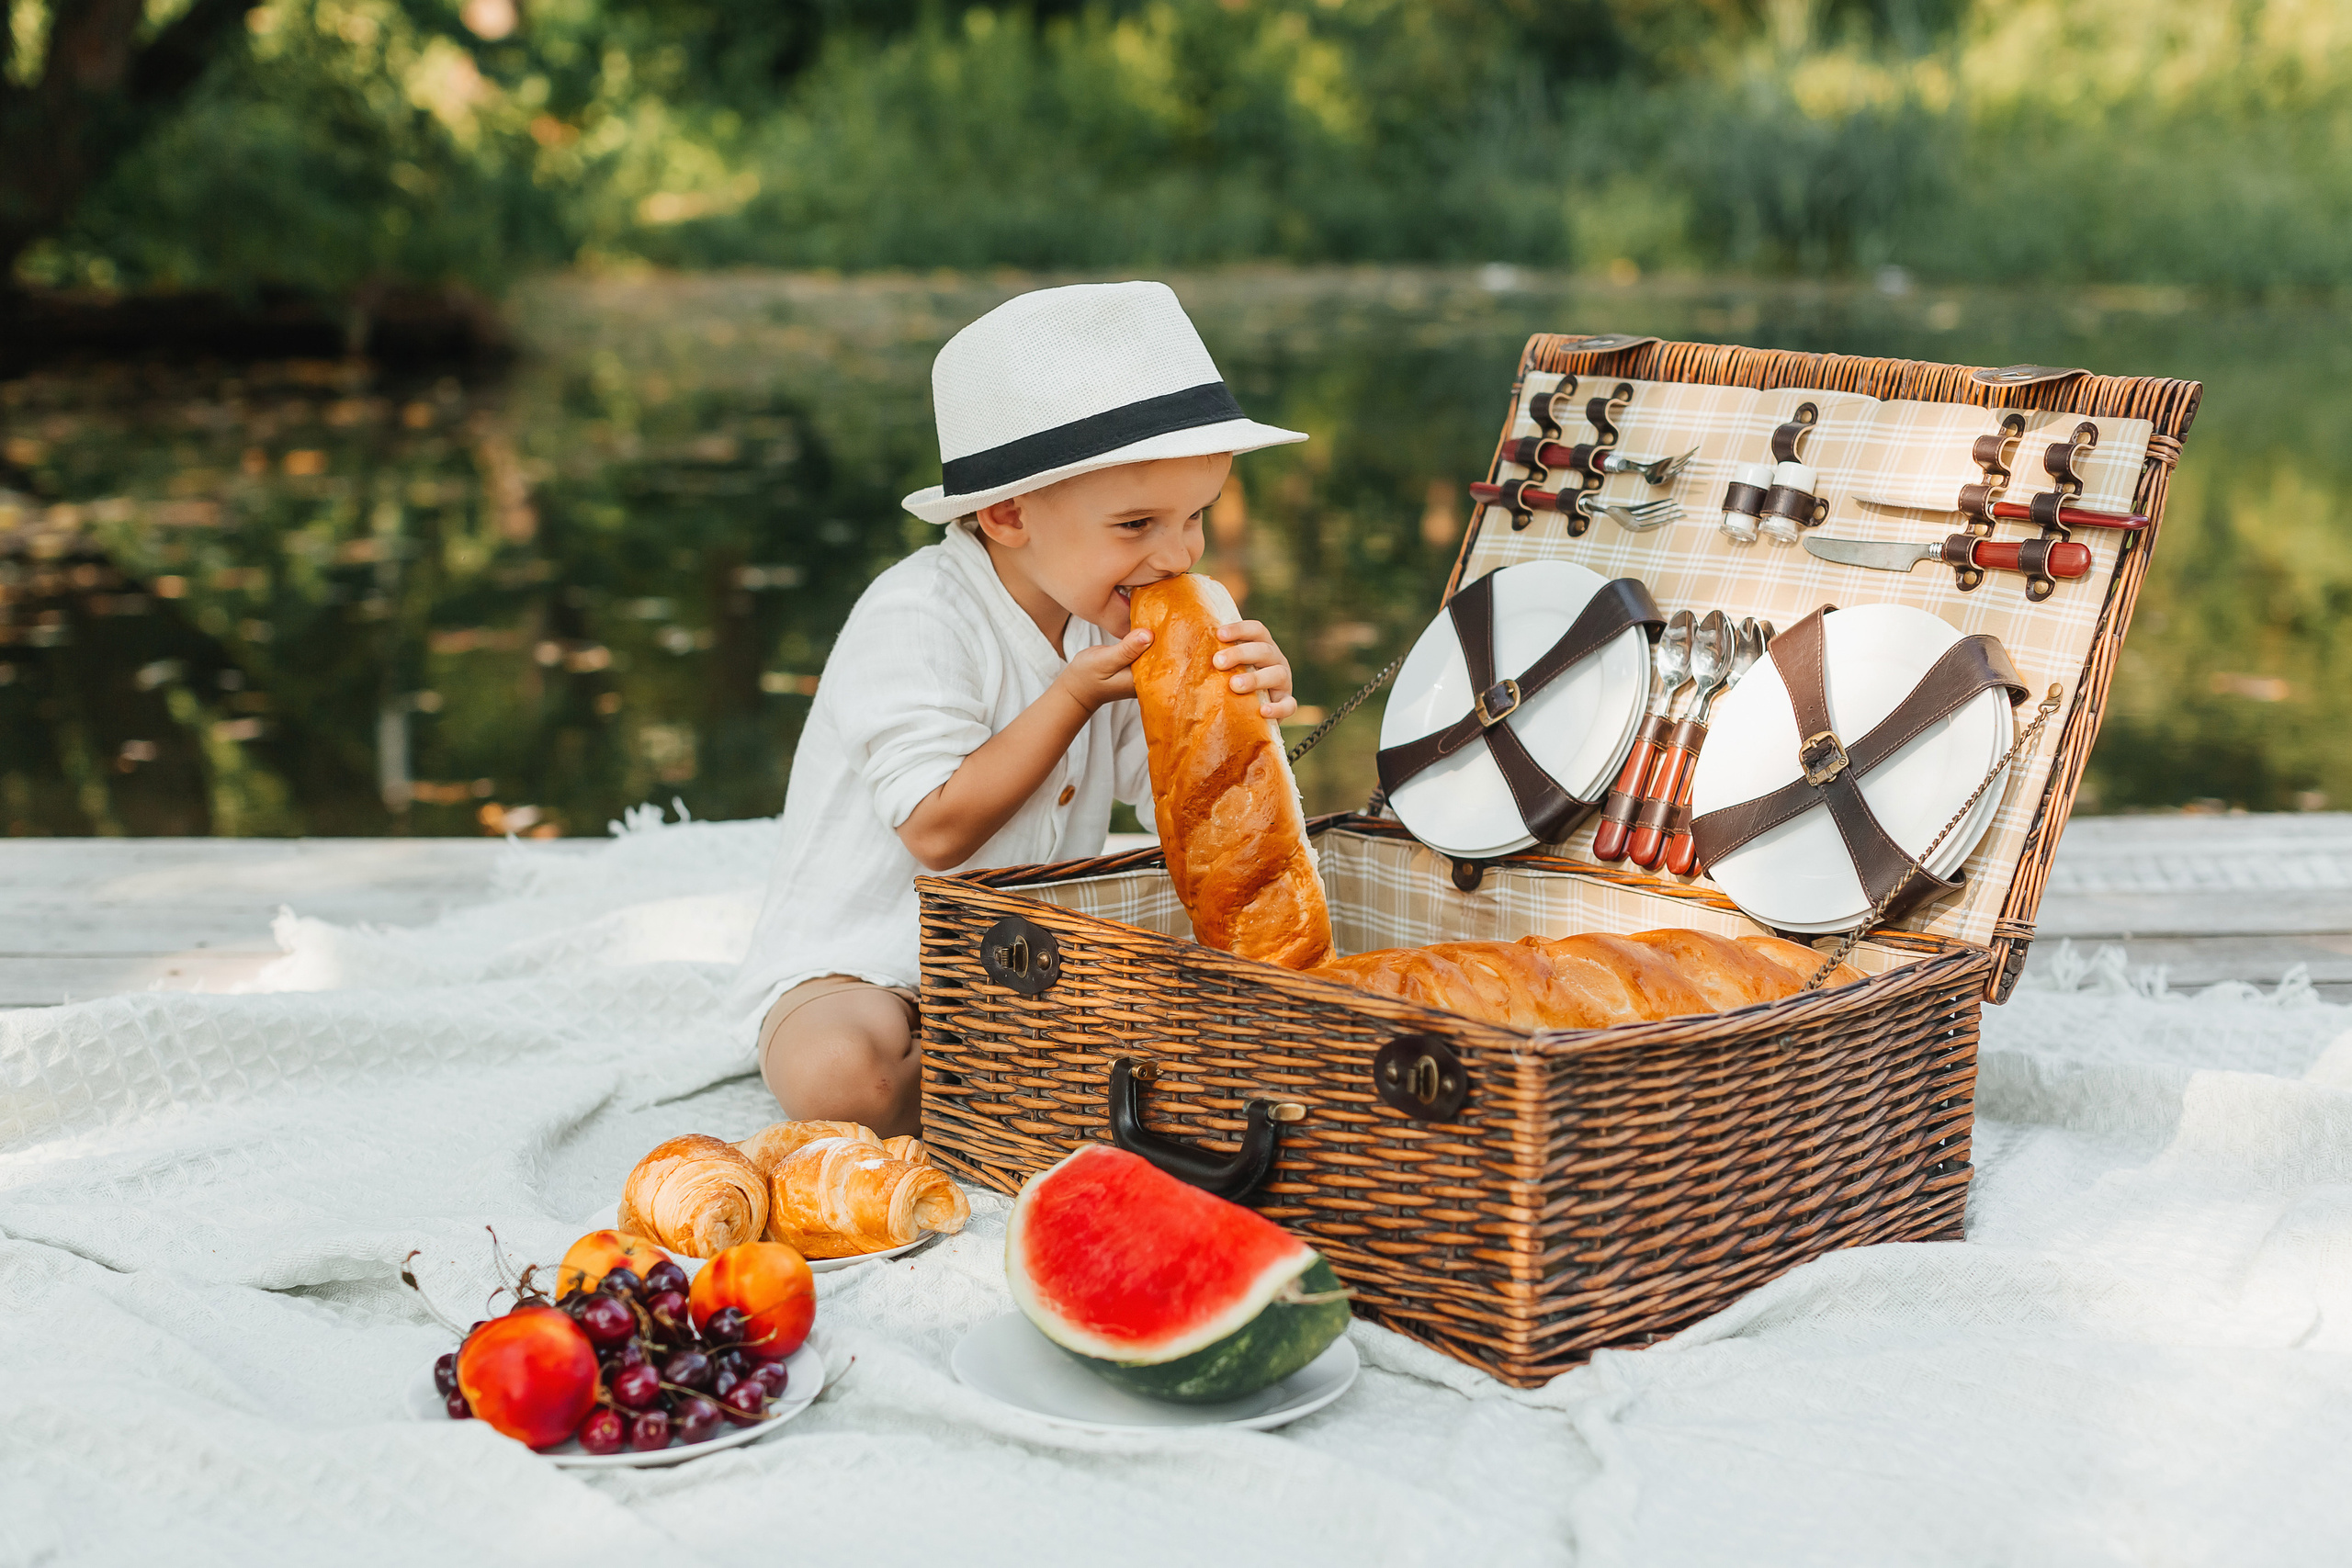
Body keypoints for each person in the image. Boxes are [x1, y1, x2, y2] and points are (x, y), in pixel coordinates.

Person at [728, 281, 1308, 1136]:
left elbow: (1176, 805)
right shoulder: (915, 614)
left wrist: (1243, 712)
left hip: (1033, 965)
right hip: (869, 968)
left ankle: (1032, 1069)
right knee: (844, 1076)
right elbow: (936, 829)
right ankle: (1037, 1076)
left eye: (1197, 516)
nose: (1179, 554)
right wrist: (1071, 697)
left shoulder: (1122, 615)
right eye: (1137, 524)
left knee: (1236, 994)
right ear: (1007, 514)